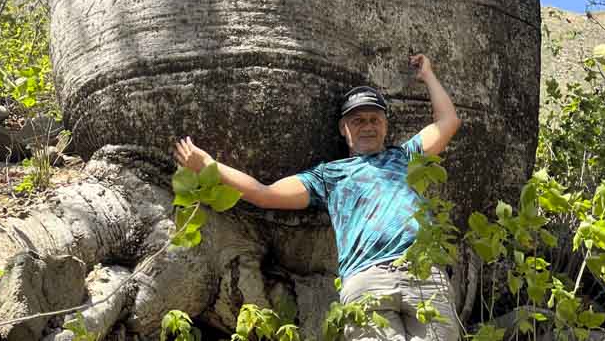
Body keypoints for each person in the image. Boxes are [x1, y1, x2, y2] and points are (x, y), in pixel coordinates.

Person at [174, 54, 462, 341]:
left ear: (385, 125)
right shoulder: (329, 176)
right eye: (358, 120)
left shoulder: (405, 156)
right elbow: (265, 194)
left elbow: (448, 121)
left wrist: (428, 75)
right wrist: (209, 166)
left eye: (375, 119)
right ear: (343, 129)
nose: (368, 126)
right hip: (367, 280)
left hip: (422, 274)